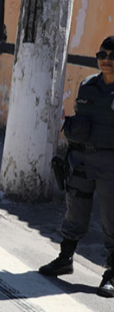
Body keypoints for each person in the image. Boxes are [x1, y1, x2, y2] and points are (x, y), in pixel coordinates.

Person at [39, 36, 114, 297]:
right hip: (82, 160)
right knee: (75, 211)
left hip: (110, 163)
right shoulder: (88, 85)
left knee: (112, 217)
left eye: (112, 56)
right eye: (102, 55)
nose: (106, 60)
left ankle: (112, 273)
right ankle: (65, 258)